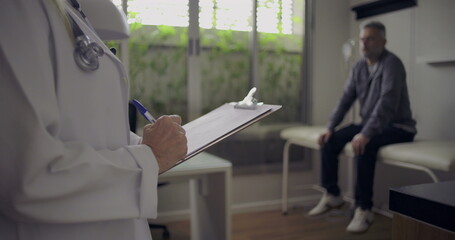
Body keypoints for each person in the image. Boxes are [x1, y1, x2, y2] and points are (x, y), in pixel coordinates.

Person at [0, 0, 187, 240]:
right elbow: (26, 175)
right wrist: (150, 157)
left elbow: (79, 125)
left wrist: (142, 143)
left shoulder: (65, 10)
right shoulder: (16, 9)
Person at [307, 21, 417, 233]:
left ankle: (364, 209)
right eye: (362, 39)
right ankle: (332, 194)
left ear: (383, 41)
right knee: (330, 140)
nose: (364, 44)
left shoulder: (392, 64)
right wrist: (330, 126)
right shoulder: (359, 66)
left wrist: (365, 134)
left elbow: (386, 104)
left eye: (370, 39)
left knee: (363, 145)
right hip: (370, 124)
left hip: (398, 127)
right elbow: (345, 99)